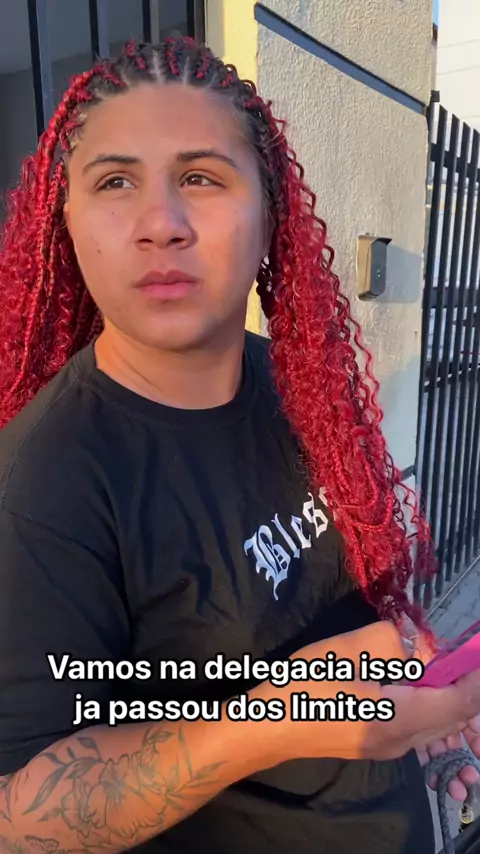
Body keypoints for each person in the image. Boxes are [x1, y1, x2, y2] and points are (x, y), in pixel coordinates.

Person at [0, 34, 479, 854]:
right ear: (64, 223)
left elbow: (330, 627)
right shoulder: (47, 480)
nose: (161, 224)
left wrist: (415, 717)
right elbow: (19, 813)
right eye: (115, 181)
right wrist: (282, 720)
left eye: (200, 177)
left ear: (270, 216)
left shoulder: (303, 388)